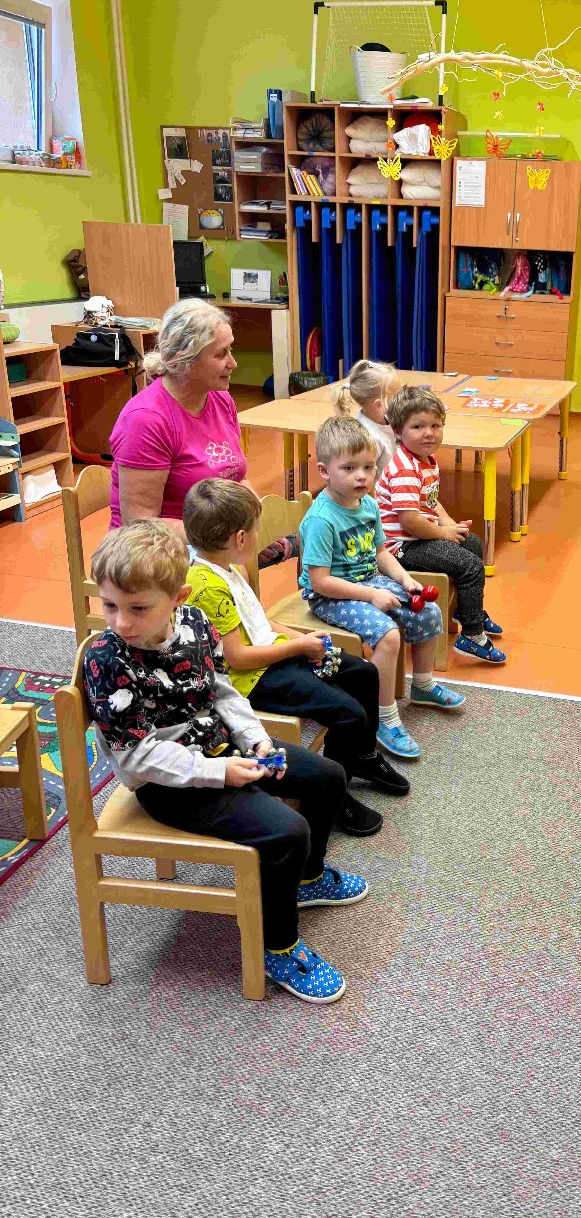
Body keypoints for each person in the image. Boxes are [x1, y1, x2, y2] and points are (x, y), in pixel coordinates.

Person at [81, 520, 368, 1004]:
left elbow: (221, 691)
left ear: (178, 598)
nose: (121, 622)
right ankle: (278, 947)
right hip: (170, 785)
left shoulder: (194, 622)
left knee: (329, 777)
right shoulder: (107, 660)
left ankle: (306, 878)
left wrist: (255, 740)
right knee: (287, 832)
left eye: (137, 608)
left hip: (221, 750)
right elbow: (137, 759)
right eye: (109, 606)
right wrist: (219, 773)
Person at [182, 478, 410, 837]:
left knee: (364, 673)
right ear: (240, 539)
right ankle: (335, 796)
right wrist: (299, 648)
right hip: (252, 679)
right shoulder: (207, 586)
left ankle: (363, 758)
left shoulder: (229, 567)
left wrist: (302, 639)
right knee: (348, 713)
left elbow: (258, 621)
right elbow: (238, 659)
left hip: (272, 655)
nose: (259, 537)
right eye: (256, 530)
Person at [299, 415, 465, 761]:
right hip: (330, 595)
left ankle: (423, 685)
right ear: (324, 471)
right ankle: (383, 718)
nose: (362, 476)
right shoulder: (321, 519)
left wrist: (404, 579)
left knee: (428, 610)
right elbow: (320, 581)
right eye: (349, 468)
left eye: (368, 467)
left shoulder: (369, 505)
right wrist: (372, 595)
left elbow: (379, 553)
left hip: (367, 581)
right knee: (388, 636)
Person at [376, 385, 506, 664]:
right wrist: (443, 533)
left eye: (435, 425)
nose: (429, 433)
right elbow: (410, 521)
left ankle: (466, 611)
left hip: (418, 537)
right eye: (418, 426)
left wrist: (450, 525)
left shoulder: (426, 460)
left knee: (471, 543)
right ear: (398, 431)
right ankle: (471, 635)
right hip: (400, 549)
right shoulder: (405, 469)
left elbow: (431, 501)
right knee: (470, 565)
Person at [108, 300, 247, 530]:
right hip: (159, 546)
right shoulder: (145, 420)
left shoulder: (220, 399)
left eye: (230, 350)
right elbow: (140, 524)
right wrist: (223, 540)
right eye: (220, 354)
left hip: (216, 537)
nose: (233, 363)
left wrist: (259, 526)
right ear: (186, 361)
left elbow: (239, 480)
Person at [336, 358, 401, 479]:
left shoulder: (384, 418)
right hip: (385, 489)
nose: (402, 399)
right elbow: (363, 479)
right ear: (379, 405)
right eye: (397, 396)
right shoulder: (370, 438)